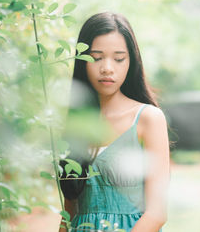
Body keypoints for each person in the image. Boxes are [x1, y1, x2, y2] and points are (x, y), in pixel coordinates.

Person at [59, 12, 170, 232]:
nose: (107, 68)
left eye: (118, 58)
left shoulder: (148, 119)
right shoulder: (76, 124)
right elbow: (69, 214)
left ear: (131, 62)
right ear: (82, 61)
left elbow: (157, 214)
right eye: (97, 57)